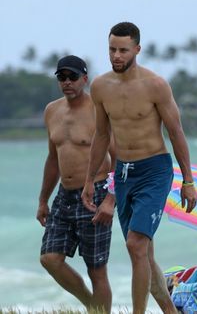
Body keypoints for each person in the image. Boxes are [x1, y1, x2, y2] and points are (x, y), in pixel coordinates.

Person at [81, 22, 197, 314]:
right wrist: (88, 180)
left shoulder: (155, 85)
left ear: (137, 49)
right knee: (143, 252)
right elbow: (102, 136)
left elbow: (176, 132)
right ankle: (170, 311)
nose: (116, 56)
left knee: (135, 245)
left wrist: (188, 180)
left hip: (155, 171)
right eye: (112, 49)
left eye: (123, 50)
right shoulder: (100, 86)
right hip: (123, 174)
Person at [36, 55, 115, 314]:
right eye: (62, 77)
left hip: (96, 193)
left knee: (96, 269)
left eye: (72, 77)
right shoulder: (51, 110)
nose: (67, 82)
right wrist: (42, 200)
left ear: (84, 78)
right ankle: (92, 305)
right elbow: (52, 158)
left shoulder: (98, 109)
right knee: (50, 258)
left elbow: (118, 157)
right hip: (64, 196)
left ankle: (98, 311)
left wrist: (110, 200)